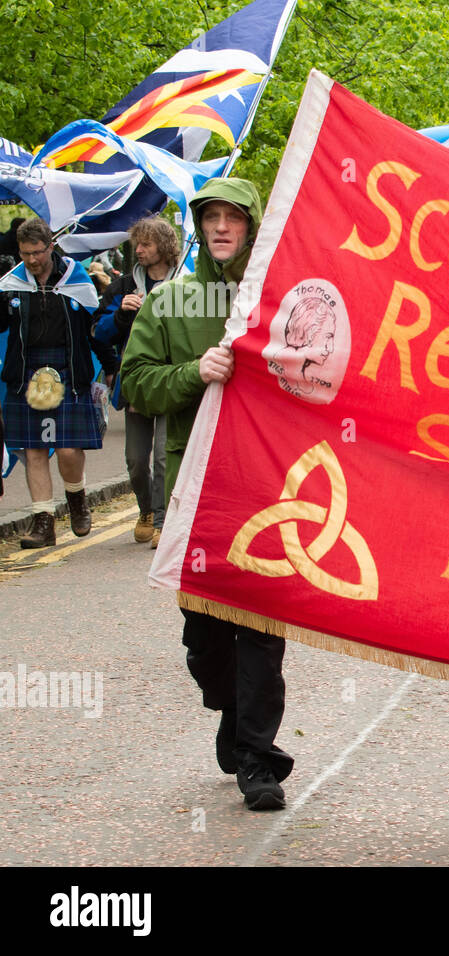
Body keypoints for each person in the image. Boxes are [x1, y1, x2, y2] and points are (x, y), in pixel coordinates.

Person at [121, 178, 293, 811]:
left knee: (261, 631)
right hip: (196, 491)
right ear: (199, 227)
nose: (222, 227)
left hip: (267, 487)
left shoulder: (282, 298)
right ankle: (231, 712)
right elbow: (135, 385)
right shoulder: (170, 302)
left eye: (234, 217)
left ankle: (257, 759)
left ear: (251, 226)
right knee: (206, 637)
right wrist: (194, 373)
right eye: (211, 217)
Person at [1, 219, 119, 548]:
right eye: (25, 253)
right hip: (26, 374)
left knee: (68, 449)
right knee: (34, 450)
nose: (31, 260)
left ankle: (76, 498)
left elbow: (94, 330)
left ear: (50, 246)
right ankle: (43, 522)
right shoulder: (12, 283)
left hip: (69, 371)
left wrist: (111, 367)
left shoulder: (75, 279)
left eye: (37, 253)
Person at [91, 216, 181, 548]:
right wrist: (120, 315)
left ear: (164, 247)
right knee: (136, 461)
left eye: (146, 244)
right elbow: (98, 333)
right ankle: (146, 510)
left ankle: (162, 522)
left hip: (173, 381)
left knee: (164, 457)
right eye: (136, 245)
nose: (139, 250)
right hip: (137, 384)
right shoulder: (123, 286)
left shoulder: (185, 283)